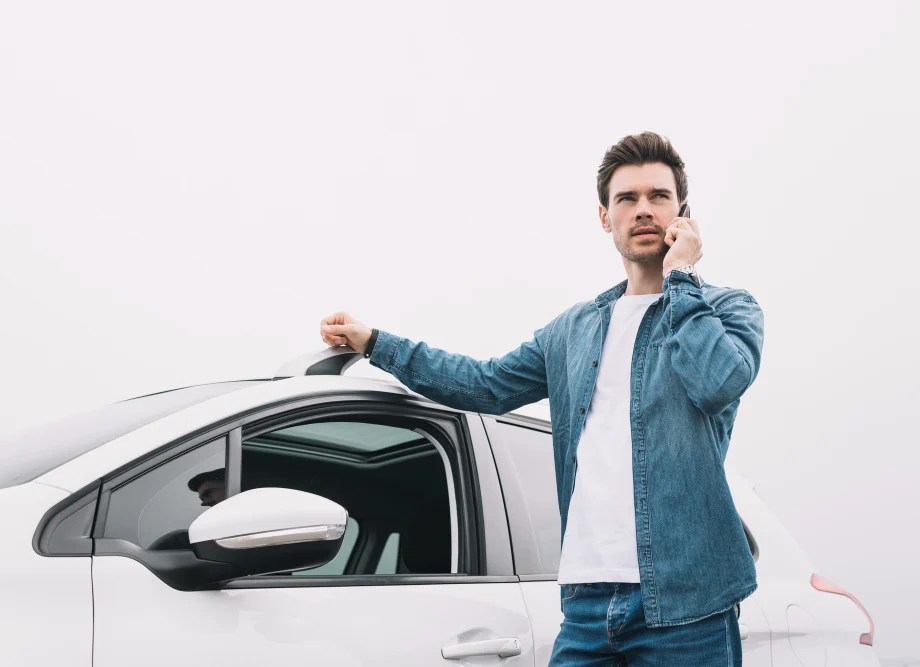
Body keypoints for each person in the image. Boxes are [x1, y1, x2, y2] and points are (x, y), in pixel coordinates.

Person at [319, 131, 763, 665]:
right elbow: (484, 383)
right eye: (627, 198)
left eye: (658, 196)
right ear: (605, 217)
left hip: (689, 607)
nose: (643, 209)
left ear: (682, 212)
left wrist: (681, 277)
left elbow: (717, 383)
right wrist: (377, 344)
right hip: (586, 607)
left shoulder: (727, 309)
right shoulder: (572, 331)